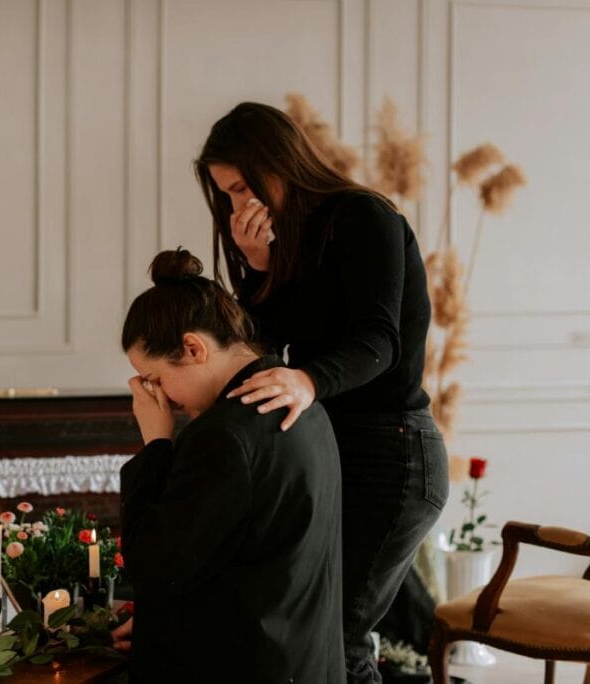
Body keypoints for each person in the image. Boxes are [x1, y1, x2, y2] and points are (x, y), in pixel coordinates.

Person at [194, 102, 449, 683]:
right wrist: (259, 269)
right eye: (225, 195)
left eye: (242, 187)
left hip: (396, 459)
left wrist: (308, 380)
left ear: (277, 163)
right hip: (337, 454)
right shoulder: (282, 244)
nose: (238, 207)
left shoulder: (364, 218)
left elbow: (379, 341)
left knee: (337, 636)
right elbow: (264, 352)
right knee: (314, 632)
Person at [112, 248, 344, 682]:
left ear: (193, 347)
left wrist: (156, 444)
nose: (158, 396)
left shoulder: (223, 433)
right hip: (306, 661)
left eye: (155, 379)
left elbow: (152, 568)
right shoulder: (304, 404)